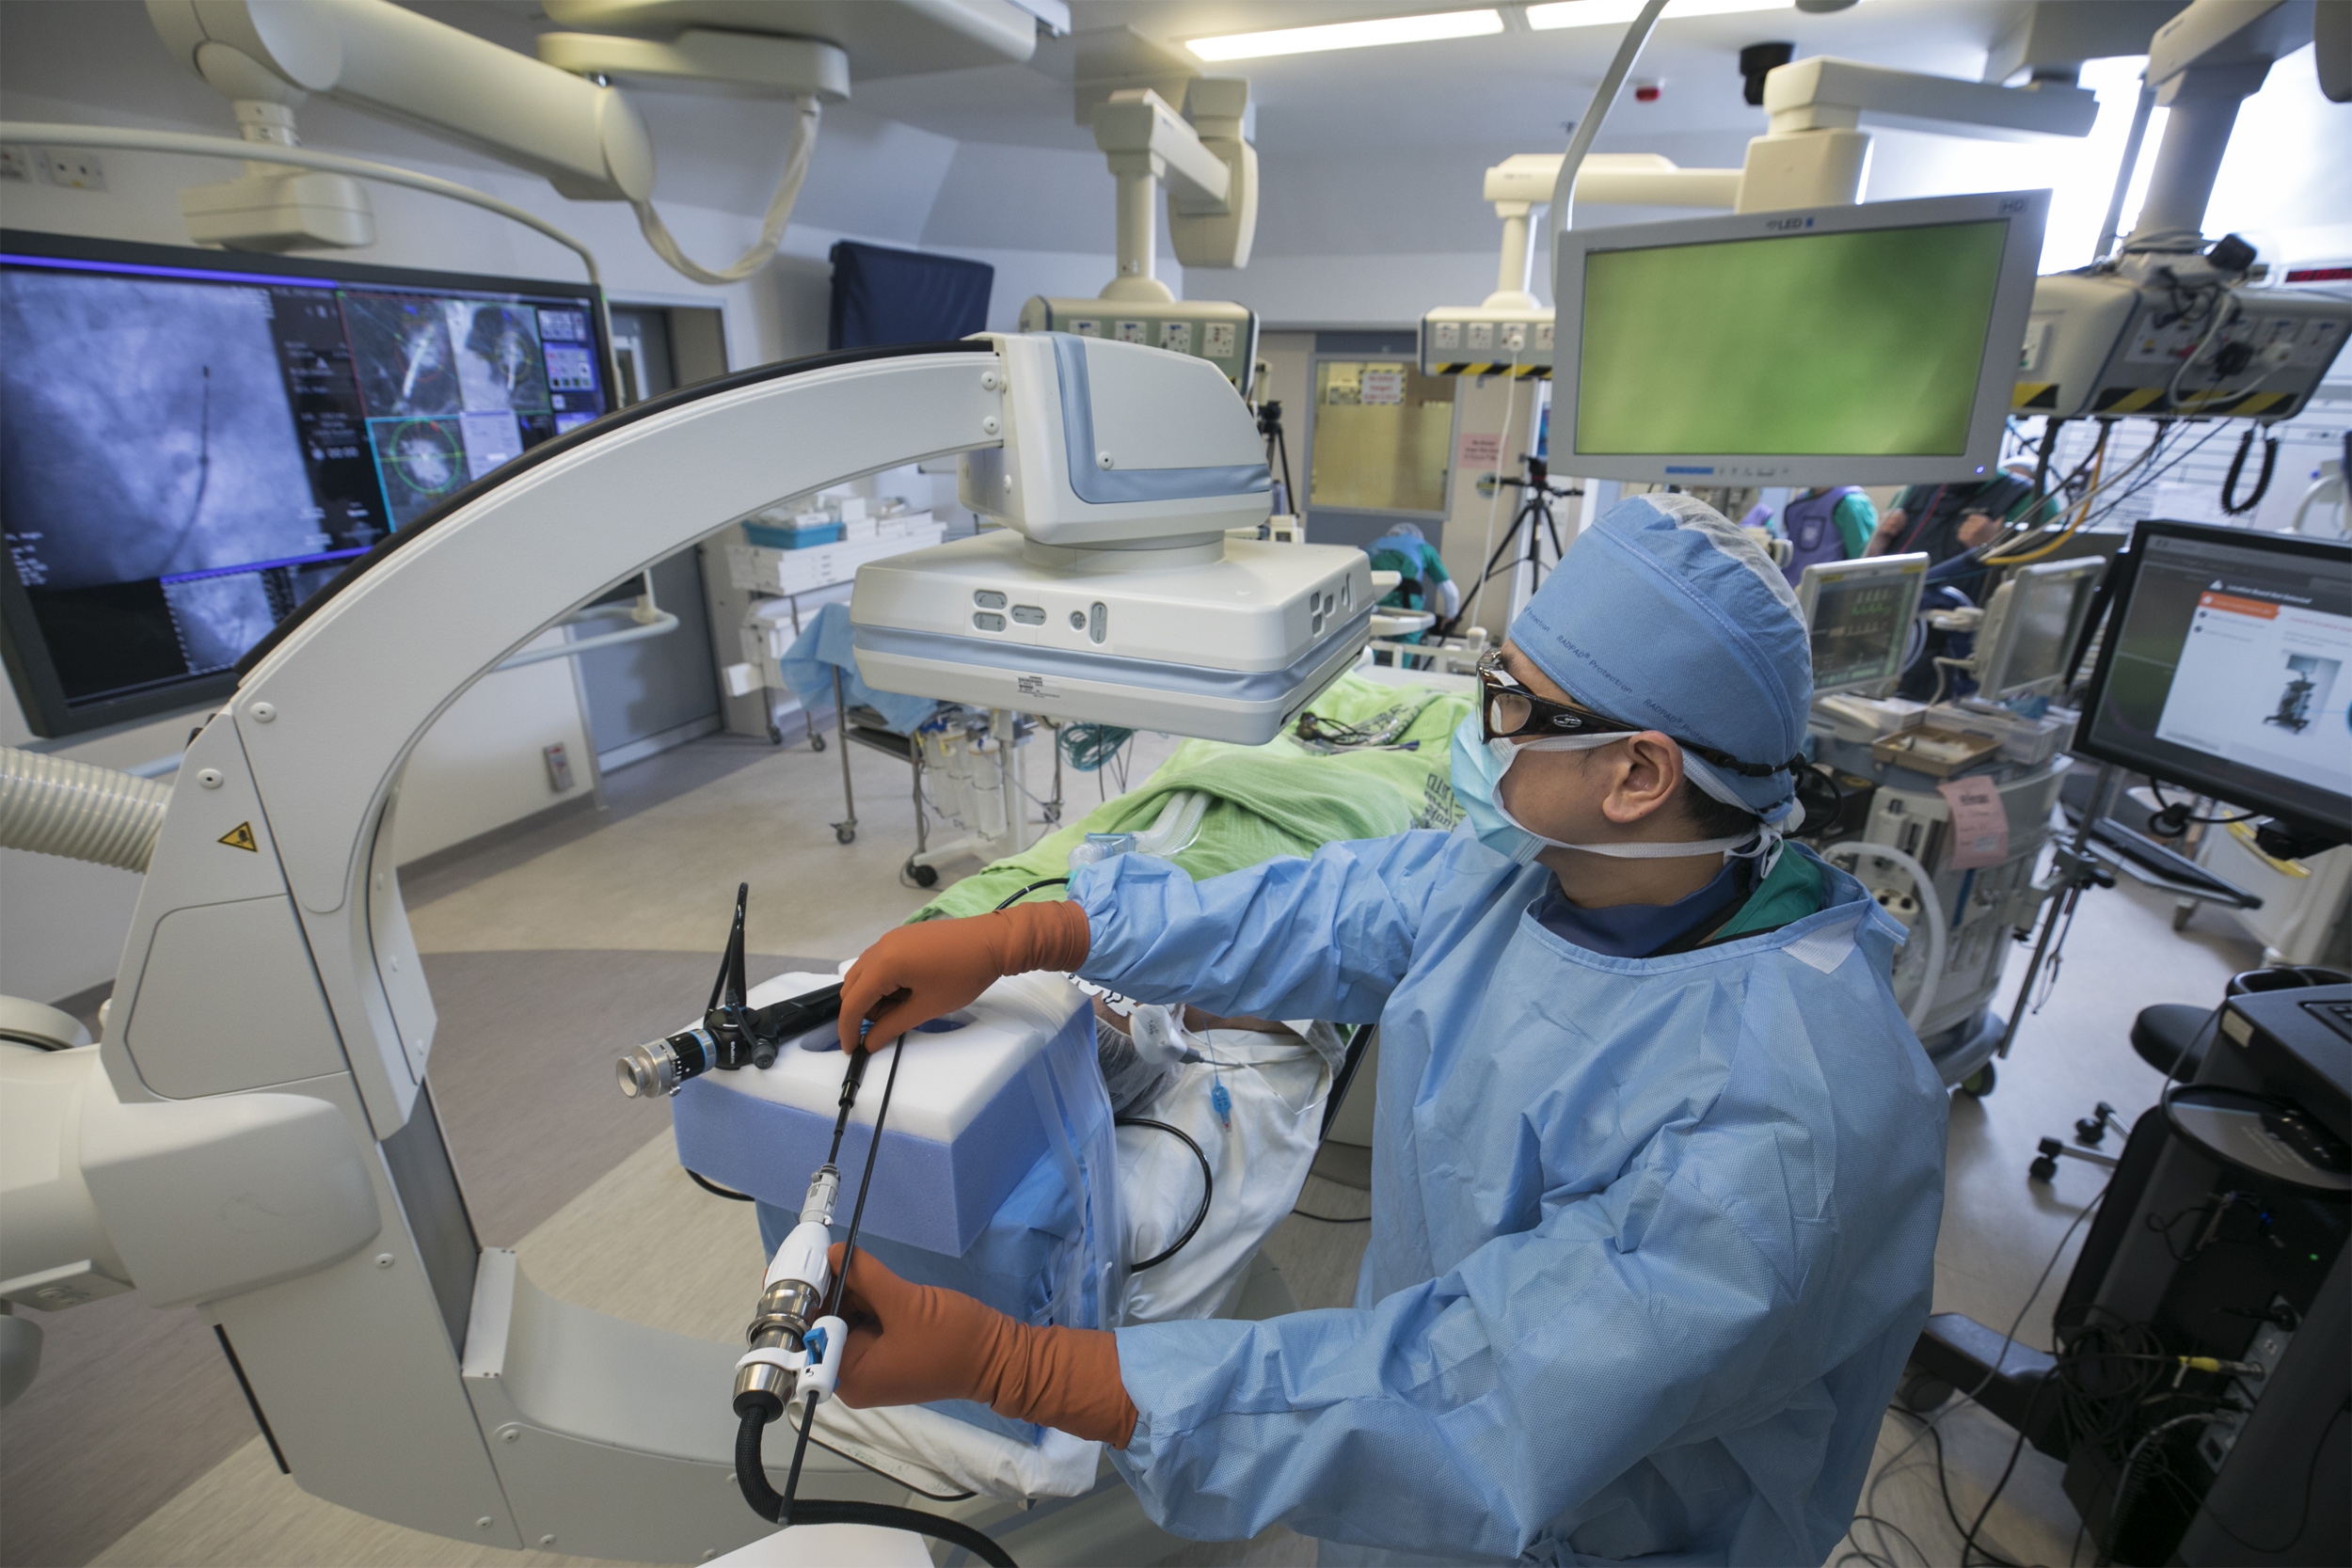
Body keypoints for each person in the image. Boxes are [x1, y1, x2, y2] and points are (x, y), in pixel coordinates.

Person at [824, 494, 1948, 1564]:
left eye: (1514, 703)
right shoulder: (1539, 877)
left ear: (1638, 772)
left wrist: (1012, 1362)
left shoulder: (1777, 1124)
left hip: (1593, 1524)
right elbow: (1317, 908)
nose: (1483, 724)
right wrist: (1038, 931)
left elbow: (1472, 1393)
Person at [1744, 485, 1878, 588]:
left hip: (1826, 592)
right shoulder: (1802, 500)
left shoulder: (1852, 504)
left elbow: (1864, 561)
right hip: (1790, 589)